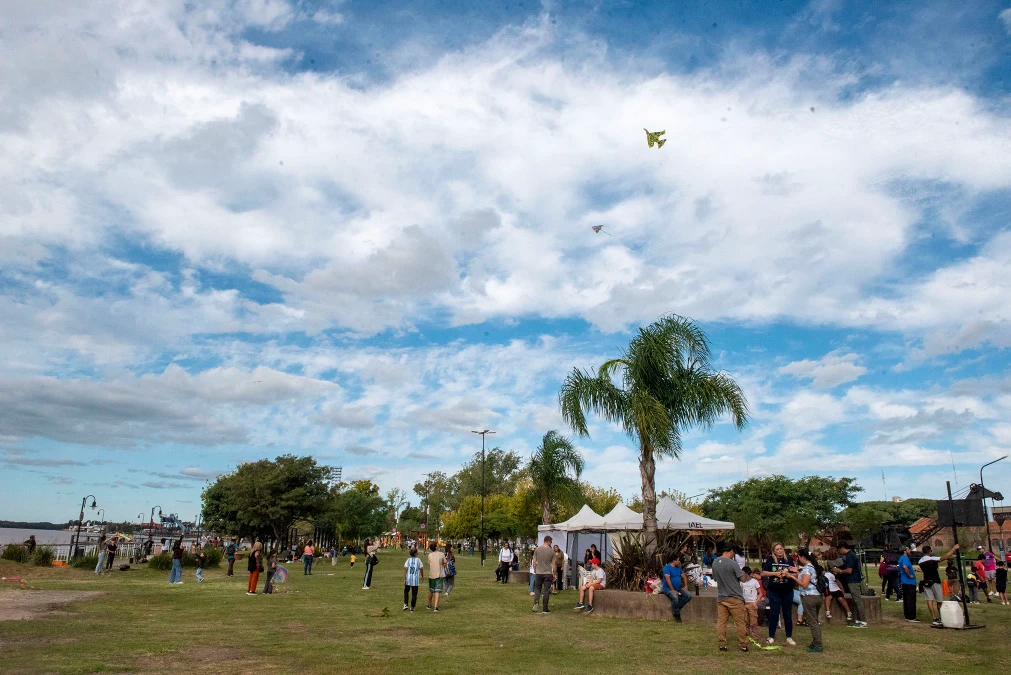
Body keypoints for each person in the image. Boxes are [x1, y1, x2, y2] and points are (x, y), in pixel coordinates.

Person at [713, 541, 749, 652]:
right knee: (740, 622)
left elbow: (715, 579)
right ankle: (743, 644)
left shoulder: (715, 562)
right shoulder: (733, 564)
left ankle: (722, 644)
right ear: (731, 551)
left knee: (722, 622)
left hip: (722, 597)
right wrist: (745, 572)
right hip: (735, 597)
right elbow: (743, 579)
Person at [761, 542, 797, 646]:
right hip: (774, 591)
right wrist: (775, 573)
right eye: (777, 549)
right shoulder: (770, 560)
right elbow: (764, 573)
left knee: (787, 614)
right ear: (774, 551)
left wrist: (788, 574)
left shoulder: (789, 560)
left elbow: (795, 573)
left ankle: (789, 636)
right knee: (774, 613)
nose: (780, 550)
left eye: (781, 548)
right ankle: (771, 636)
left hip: (787, 591)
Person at [791, 549, 825, 653]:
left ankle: (818, 644)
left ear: (802, 557)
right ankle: (816, 641)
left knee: (812, 622)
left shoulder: (806, 569)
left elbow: (804, 584)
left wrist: (794, 578)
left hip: (809, 597)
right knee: (815, 621)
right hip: (818, 596)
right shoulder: (813, 567)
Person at [916, 544, 959, 626]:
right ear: (929, 551)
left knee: (929, 599)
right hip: (935, 581)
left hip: (926, 581)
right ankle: (941, 616)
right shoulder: (932, 559)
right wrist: (954, 548)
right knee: (939, 600)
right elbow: (946, 557)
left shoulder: (920, 561)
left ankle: (934, 618)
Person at [832, 542, 867, 628]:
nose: (840, 552)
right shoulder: (852, 554)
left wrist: (839, 571)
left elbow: (849, 570)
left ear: (843, 548)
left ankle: (863, 621)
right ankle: (858, 620)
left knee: (858, 601)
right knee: (855, 601)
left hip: (853, 581)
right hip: (854, 580)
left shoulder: (850, 556)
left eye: (840, 550)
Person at [661, 552, 691, 623]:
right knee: (675, 597)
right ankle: (677, 615)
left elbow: (684, 576)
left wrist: (686, 585)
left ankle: (675, 609)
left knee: (688, 595)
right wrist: (672, 590)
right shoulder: (667, 568)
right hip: (667, 589)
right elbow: (668, 580)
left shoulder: (678, 568)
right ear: (674, 561)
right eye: (678, 560)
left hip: (679, 588)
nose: (679, 561)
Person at [532, 536, 555, 614]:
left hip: (539, 572)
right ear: (548, 541)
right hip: (548, 573)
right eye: (551, 542)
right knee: (546, 591)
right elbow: (554, 564)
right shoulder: (551, 551)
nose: (551, 543)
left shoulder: (537, 549)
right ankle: (545, 609)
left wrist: (535, 569)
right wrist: (554, 573)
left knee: (537, 588)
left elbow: (534, 561)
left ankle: (536, 602)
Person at [741, 567, 763, 640]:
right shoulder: (741, 582)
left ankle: (755, 637)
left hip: (752, 603)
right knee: (745, 621)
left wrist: (755, 602)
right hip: (744, 604)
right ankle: (746, 636)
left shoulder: (754, 582)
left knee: (753, 622)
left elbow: (760, 593)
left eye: (744, 574)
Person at [898, 544, 918, 621]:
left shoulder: (901, 558)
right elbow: (905, 566)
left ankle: (907, 615)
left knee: (906, 599)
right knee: (911, 599)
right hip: (909, 582)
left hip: (904, 581)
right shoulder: (905, 558)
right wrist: (909, 575)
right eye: (908, 550)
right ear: (905, 551)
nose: (910, 551)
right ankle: (911, 616)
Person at [426, 540, 447, 612]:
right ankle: (435, 607)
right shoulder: (441, 554)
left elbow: (429, 563)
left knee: (431, 590)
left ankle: (429, 604)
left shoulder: (429, 555)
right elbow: (445, 563)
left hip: (431, 574)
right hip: (439, 574)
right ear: (436, 547)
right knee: (437, 591)